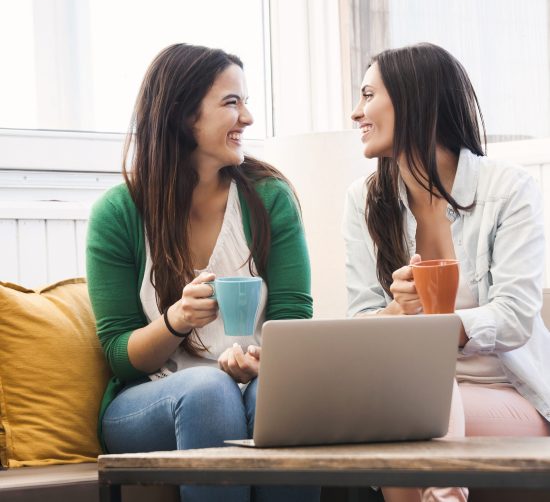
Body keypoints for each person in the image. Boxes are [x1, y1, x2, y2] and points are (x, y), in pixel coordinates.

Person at [86, 43, 319, 502]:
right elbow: (118, 354)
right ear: (183, 116)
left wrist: (261, 361)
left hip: (249, 382)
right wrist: (175, 321)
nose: (247, 118)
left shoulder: (269, 200)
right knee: (210, 388)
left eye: (246, 101)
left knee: (282, 394)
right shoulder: (118, 213)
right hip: (150, 399)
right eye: (232, 102)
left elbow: (294, 316)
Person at [342, 42, 550, 502]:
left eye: (368, 95)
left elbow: (515, 315)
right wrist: (399, 311)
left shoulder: (509, 189)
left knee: (414, 402)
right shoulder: (363, 200)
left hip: (507, 391)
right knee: (406, 398)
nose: (356, 112)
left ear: (415, 99)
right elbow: (360, 325)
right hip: (414, 390)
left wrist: (437, 329)